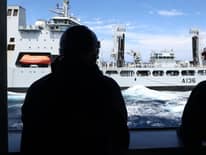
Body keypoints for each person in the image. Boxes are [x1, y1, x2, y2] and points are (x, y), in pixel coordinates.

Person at [20, 25, 129, 154]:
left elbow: (29, 142)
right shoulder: (108, 88)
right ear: (95, 53)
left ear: (61, 51)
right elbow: (121, 138)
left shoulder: (37, 89)